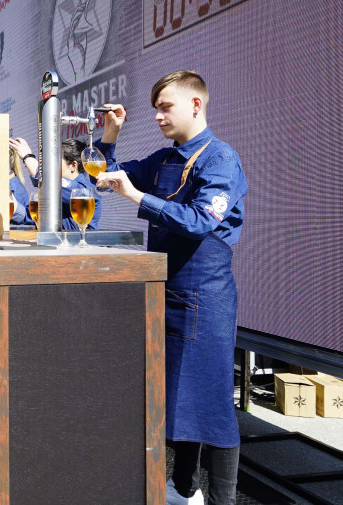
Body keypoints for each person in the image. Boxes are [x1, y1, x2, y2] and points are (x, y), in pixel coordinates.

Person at [95, 71, 247, 505]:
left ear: (196, 104)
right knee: (179, 400)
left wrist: (138, 198)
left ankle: (223, 500)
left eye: (166, 107)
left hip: (205, 300)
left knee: (213, 406)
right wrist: (111, 135)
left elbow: (200, 220)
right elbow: (107, 177)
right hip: (166, 294)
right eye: (156, 108)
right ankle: (183, 489)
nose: (159, 116)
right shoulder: (164, 159)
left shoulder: (221, 160)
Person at [9, 137, 101, 230]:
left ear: (73, 165)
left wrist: (27, 157)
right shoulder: (56, 193)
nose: (50, 165)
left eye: (55, 161)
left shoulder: (85, 191)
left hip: (80, 243)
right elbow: (32, 220)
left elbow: (48, 180)